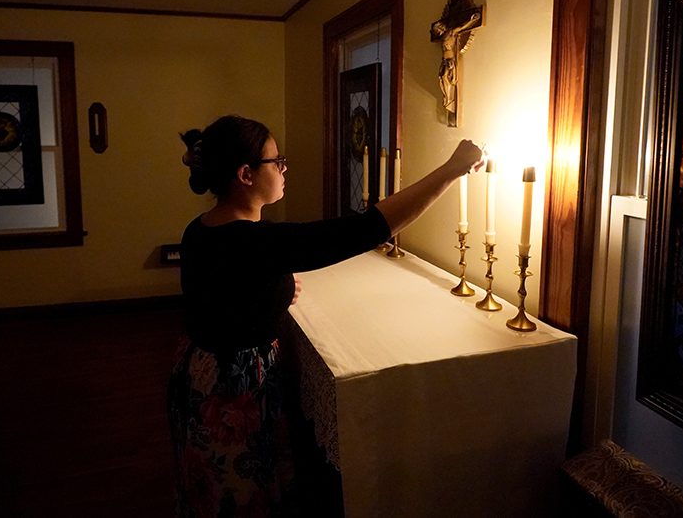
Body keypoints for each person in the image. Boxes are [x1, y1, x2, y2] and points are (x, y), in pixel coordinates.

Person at [169, 115, 484, 518]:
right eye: (275, 160)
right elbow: (368, 228)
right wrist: (451, 169)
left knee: (214, 493)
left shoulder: (203, 229)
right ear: (246, 174)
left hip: (197, 375)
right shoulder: (253, 242)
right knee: (239, 497)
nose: (284, 168)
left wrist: (278, 288)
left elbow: (230, 293)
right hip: (230, 392)